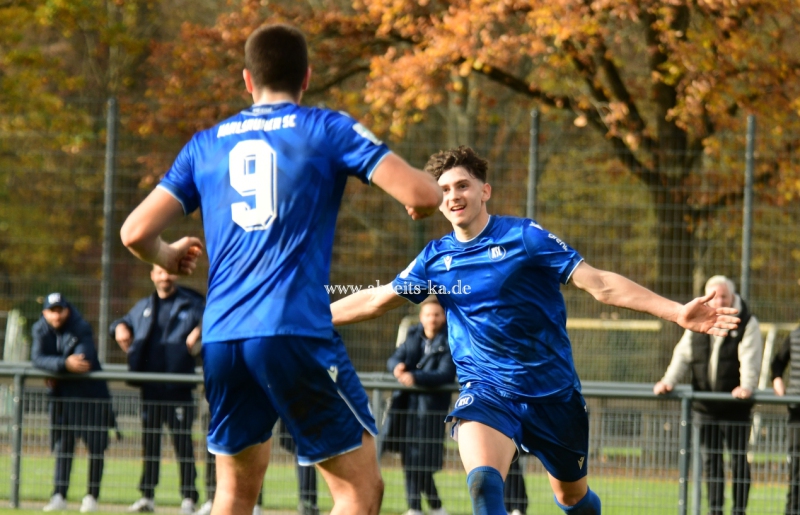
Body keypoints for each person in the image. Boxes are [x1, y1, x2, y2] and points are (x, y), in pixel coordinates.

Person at [118, 23, 442, 515]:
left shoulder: (204, 144)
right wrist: (434, 193)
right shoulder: (326, 128)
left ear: (247, 80)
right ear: (306, 77)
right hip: (293, 329)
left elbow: (134, 232)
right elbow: (419, 196)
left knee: (233, 493)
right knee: (359, 489)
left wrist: (167, 257)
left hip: (222, 334)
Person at [330, 146, 740, 515]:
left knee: (572, 498)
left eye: (463, 185)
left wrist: (675, 312)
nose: (454, 196)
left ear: (484, 191)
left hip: (553, 393)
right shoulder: (436, 260)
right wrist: (311, 318)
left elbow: (599, 284)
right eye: (445, 189)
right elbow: (374, 299)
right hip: (487, 390)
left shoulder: (524, 238)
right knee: (484, 483)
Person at [654, 275, 761, 515]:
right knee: (711, 464)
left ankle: (739, 511)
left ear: (732, 297)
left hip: (735, 408)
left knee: (738, 461)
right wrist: (667, 381)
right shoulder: (696, 323)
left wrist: (746, 386)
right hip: (705, 408)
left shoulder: (747, 322)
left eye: (723, 296)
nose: (719, 301)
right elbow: (682, 355)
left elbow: (750, 359)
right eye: (713, 297)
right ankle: (715, 511)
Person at [110, 265, 204, 514]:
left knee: (182, 442)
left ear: (177, 274)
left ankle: (189, 498)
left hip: (179, 387)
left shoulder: (192, 302)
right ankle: (147, 496)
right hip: (150, 388)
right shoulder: (143, 305)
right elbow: (122, 321)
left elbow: (216, 315)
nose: (165, 277)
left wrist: (201, 330)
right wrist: (118, 327)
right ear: (152, 275)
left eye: (169, 272)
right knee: (150, 442)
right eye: (160, 272)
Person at [31, 293, 116, 513]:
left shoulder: (81, 325)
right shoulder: (39, 329)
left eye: (60, 309)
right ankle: (59, 495)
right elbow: (37, 358)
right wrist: (63, 364)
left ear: (67, 310)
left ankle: (92, 496)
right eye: (52, 310)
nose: (56, 314)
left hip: (92, 398)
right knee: (63, 447)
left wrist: (55, 367)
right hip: (63, 398)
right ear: (45, 313)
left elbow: (83, 359)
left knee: (95, 447)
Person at [384, 296, 455, 515]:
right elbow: (393, 359)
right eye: (428, 314)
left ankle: (431, 507)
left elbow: (445, 374)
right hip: (406, 408)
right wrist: (397, 368)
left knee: (423, 462)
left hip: (431, 410)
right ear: (421, 316)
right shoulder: (413, 335)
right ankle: (418, 508)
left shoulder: (450, 340)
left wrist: (414, 377)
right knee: (409, 459)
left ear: (443, 316)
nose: (432, 319)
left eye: (436, 314)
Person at [769, 322, 800, 515]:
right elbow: (778, 361)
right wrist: (777, 378)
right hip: (797, 411)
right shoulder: (795, 335)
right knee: (796, 467)